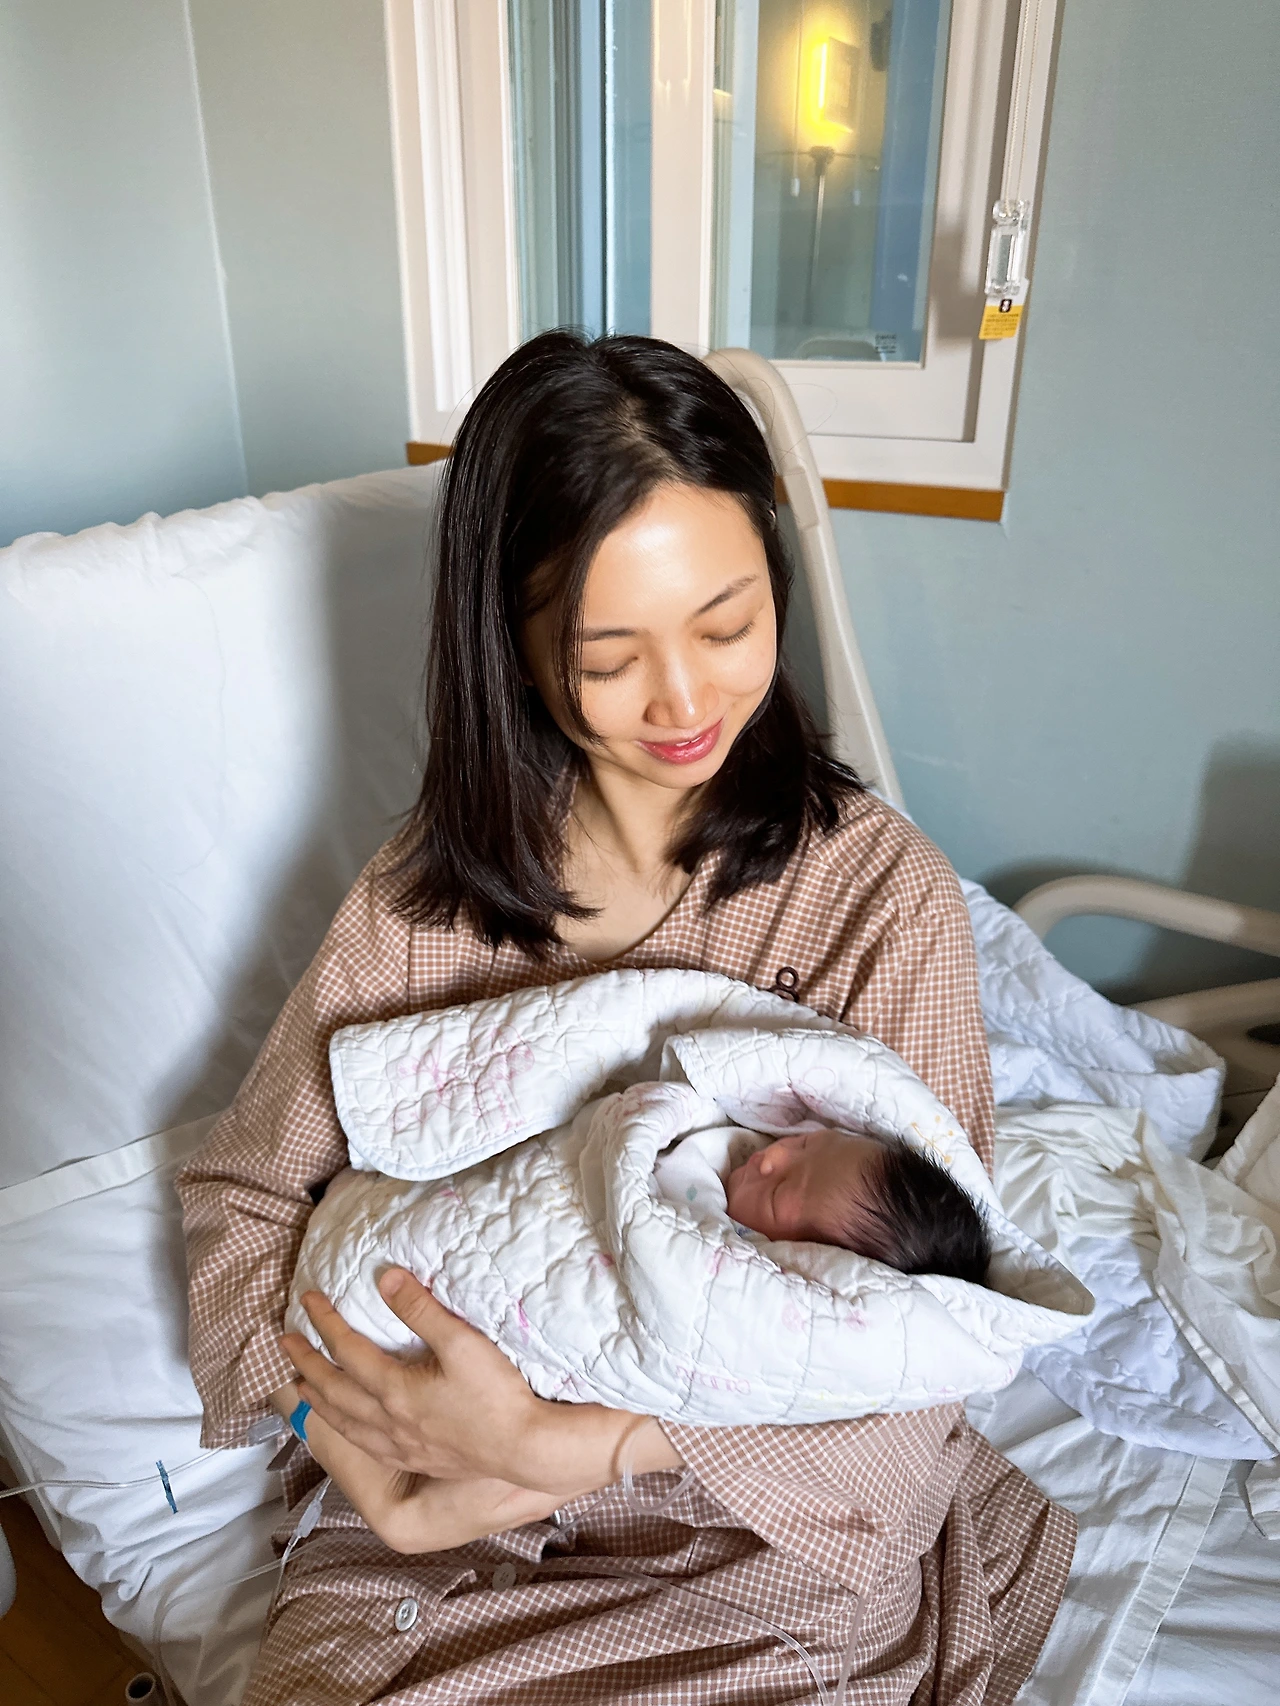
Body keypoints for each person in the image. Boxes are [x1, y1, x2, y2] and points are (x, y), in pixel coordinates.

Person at [177, 330, 1073, 1705]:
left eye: (728, 625)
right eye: (610, 655)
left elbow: (932, 1343)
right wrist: (361, 1452)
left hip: (742, 1527)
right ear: (518, 647)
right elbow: (243, 1204)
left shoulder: (876, 900)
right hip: (430, 1513)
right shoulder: (426, 901)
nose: (687, 700)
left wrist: (577, 1447)